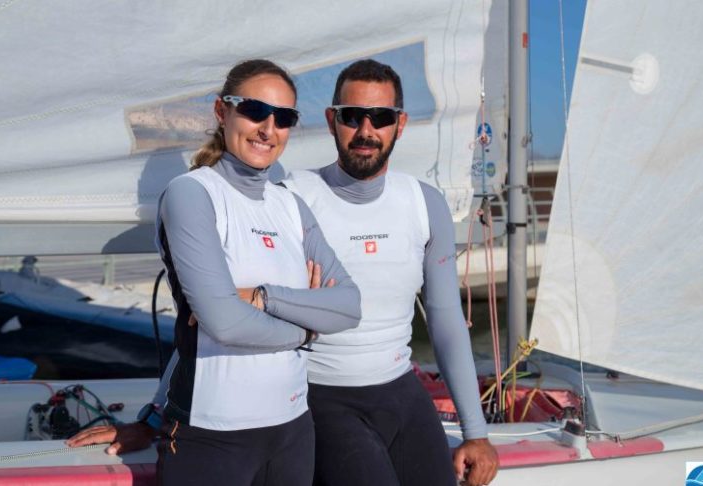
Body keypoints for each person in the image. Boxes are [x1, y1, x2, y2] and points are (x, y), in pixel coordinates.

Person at [69, 60, 498, 486]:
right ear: (331, 120)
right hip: (321, 396)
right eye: (352, 116)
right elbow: (204, 322)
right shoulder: (292, 195)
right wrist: (155, 416)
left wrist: (475, 432)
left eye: (381, 117)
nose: (366, 130)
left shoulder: (421, 203)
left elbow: (440, 318)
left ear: (400, 124)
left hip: (394, 391)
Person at [97, 59, 360, 486]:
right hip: (212, 436)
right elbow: (224, 322)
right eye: (255, 110)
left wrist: (261, 297)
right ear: (223, 111)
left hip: (293, 429)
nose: (268, 128)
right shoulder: (192, 194)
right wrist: (307, 330)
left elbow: (348, 306)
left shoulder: (290, 205)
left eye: (284, 118)